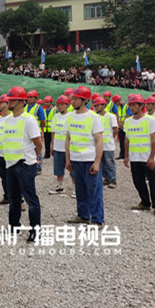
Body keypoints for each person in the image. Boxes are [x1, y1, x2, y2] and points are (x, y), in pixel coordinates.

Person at [3, 86, 42, 242]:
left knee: (31, 199)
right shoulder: (8, 120)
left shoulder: (29, 120)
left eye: (12, 100)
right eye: (9, 99)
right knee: (13, 199)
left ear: (21, 102)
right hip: (10, 164)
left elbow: (38, 143)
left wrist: (35, 157)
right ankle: (14, 226)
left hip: (25, 164)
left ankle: (35, 230)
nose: (9, 102)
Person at [65, 86, 104, 226]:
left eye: (75, 99)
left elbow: (99, 141)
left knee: (94, 190)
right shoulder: (70, 117)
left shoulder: (94, 117)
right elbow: (68, 139)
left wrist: (97, 162)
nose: (72, 101)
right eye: (72, 98)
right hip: (76, 160)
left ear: (84, 100)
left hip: (89, 160)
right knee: (80, 190)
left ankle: (98, 220)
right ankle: (83, 215)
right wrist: (68, 159)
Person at [123, 94, 155, 217]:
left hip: (147, 157)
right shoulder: (128, 121)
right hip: (135, 157)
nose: (132, 107)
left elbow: (154, 139)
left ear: (142, 106)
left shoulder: (150, 120)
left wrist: (152, 157)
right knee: (138, 181)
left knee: (153, 181)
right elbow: (126, 140)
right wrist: (126, 156)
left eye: (134, 105)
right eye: (130, 105)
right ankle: (145, 202)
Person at [93, 97, 118, 189]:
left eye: (97, 105)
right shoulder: (95, 117)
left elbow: (115, 129)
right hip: (99, 144)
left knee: (109, 162)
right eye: (94, 105)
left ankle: (113, 180)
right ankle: (106, 178)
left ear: (103, 105)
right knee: (102, 162)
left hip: (108, 144)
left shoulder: (111, 116)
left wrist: (112, 138)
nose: (96, 107)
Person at [25, 90, 45, 174]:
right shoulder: (25, 107)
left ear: (35, 98)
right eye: (28, 97)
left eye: (31, 97)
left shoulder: (38, 108)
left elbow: (43, 120)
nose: (29, 99)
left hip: (36, 132)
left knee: (38, 148)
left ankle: (39, 167)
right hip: (27, 132)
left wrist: (41, 129)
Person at [114, 95, 131, 160]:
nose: (117, 105)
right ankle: (122, 154)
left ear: (119, 101)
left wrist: (122, 123)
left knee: (127, 141)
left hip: (126, 127)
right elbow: (118, 116)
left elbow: (128, 115)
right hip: (120, 127)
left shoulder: (127, 106)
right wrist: (119, 124)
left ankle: (127, 155)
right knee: (121, 141)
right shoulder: (119, 107)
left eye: (117, 103)